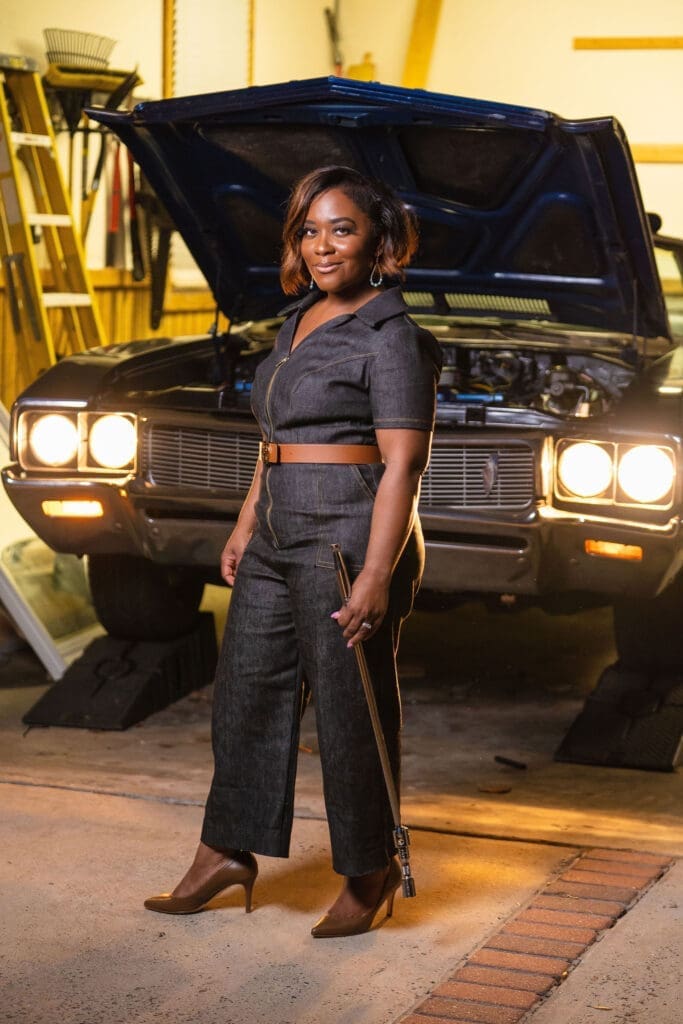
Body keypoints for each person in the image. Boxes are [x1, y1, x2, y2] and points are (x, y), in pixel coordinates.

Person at [144, 165, 442, 938]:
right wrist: (246, 525)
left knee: (350, 712)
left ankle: (367, 870)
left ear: (379, 238)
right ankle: (224, 851)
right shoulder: (298, 320)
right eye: (309, 231)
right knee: (245, 690)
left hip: (344, 537)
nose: (320, 246)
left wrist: (377, 574)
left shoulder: (393, 337)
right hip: (278, 530)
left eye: (340, 229)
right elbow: (274, 441)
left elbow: (402, 464)